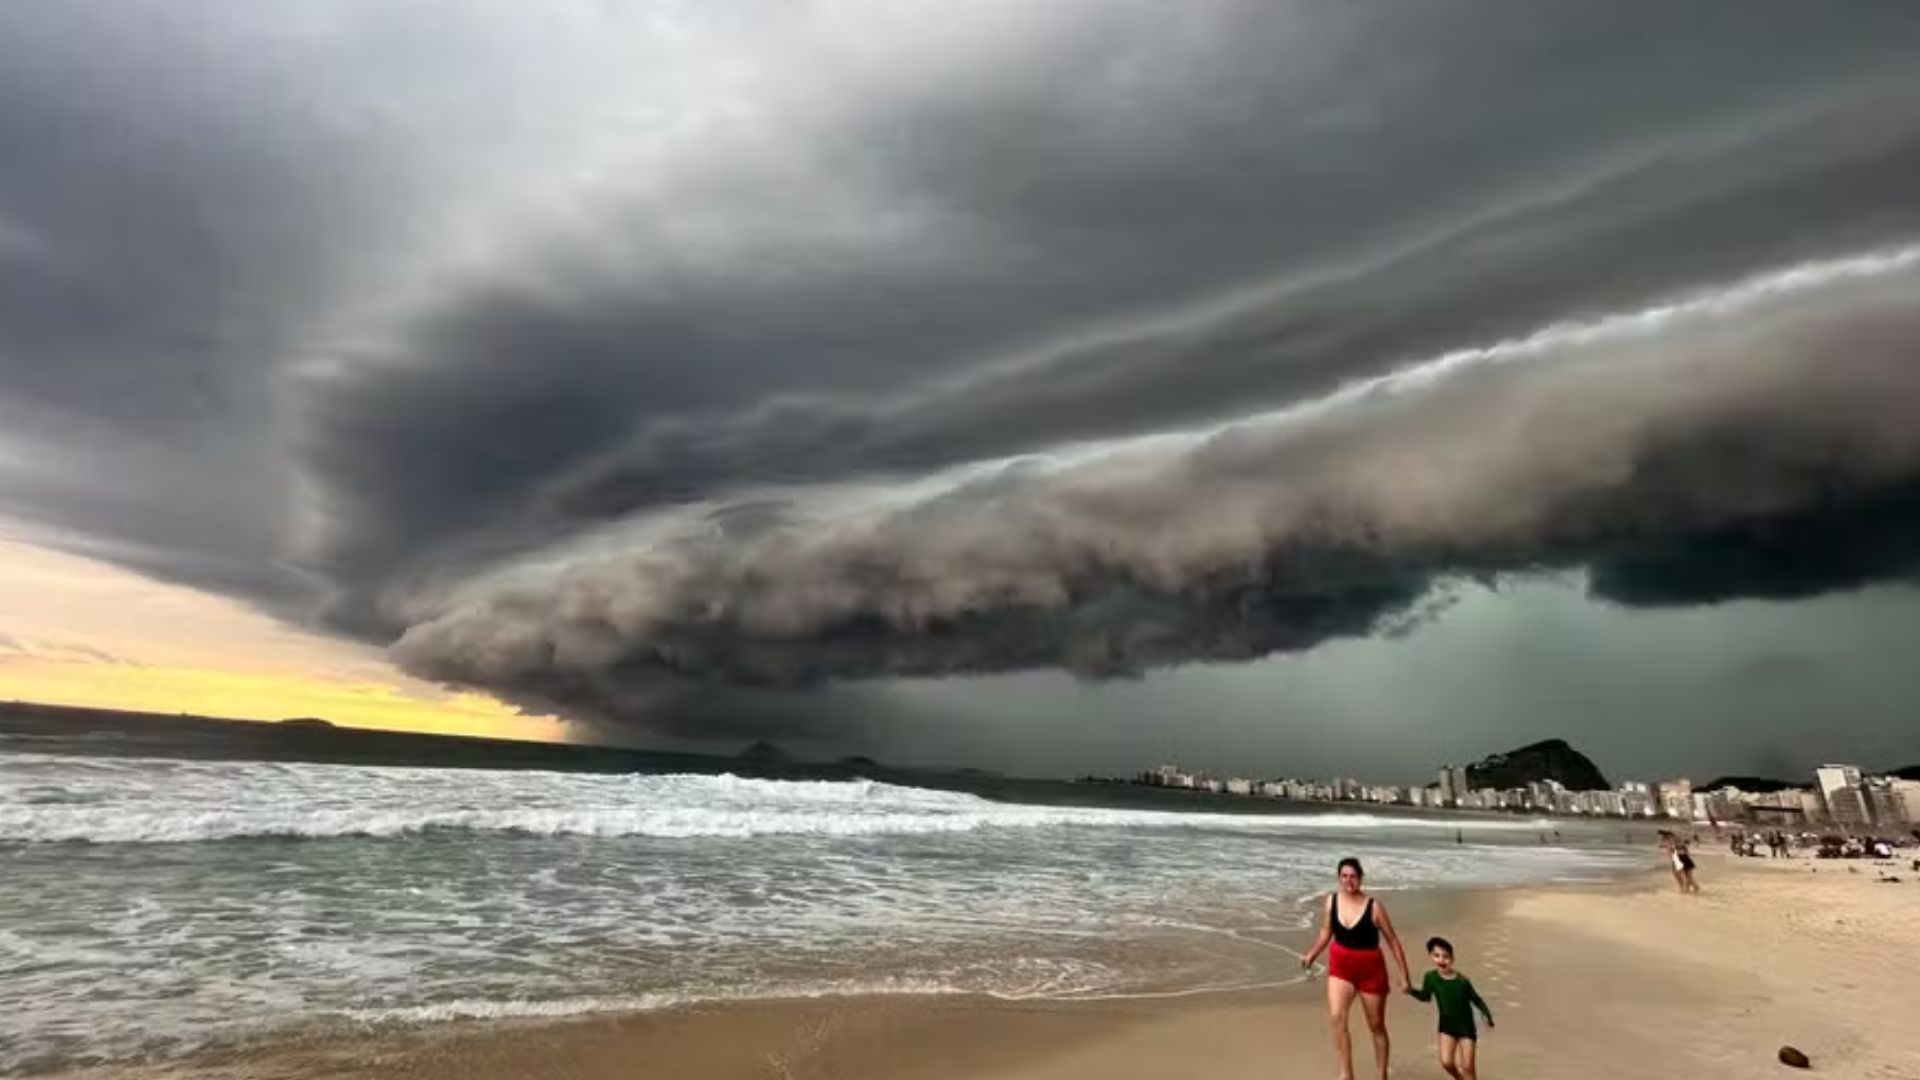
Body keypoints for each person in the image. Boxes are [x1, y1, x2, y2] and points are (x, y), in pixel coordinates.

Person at [1300, 857, 1413, 1080]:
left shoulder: (1374, 907)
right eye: (1344, 876)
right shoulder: (1331, 902)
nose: (1348, 881)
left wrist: (1404, 976)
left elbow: (1392, 940)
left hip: (1371, 970)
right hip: (1341, 967)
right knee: (1336, 1017)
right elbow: (1326, 932)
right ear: (1339, 878)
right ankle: (1346, 1074)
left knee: (1376, 1025)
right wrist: (1312, 954)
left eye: (1353, 876)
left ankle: (1381, 1075)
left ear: (1360, 878)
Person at [1406, 936, 1494, 1080]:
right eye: (1436, 955)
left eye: (1446, 956)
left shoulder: (1462, 981)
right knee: (1446, 1062)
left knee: (1468, 1067)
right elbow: (1425, 997)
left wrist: (1487, 1016)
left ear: (1452, 959)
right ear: (1431, 956)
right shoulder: (1431, 977)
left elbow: (1476, 1000)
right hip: (1446, 1027)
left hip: (1466, 1028)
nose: (1441, 960)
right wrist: (1410, 990)